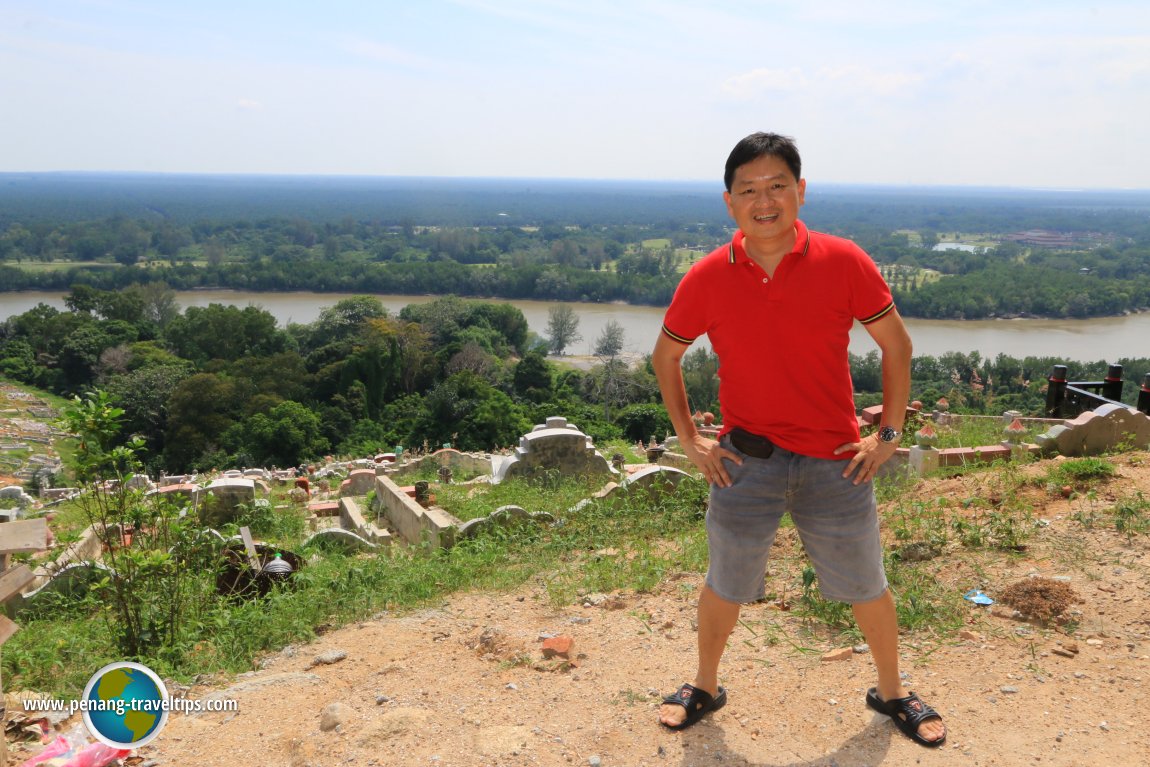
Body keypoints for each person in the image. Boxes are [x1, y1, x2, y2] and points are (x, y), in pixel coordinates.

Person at [652, 132, 946, 748]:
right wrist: (691, 440)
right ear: (729, 202)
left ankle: (892, 692)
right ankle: (704, 684)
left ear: (801, 191)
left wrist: (887, 434)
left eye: (777, 186)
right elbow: (666, 356)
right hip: (744, 461)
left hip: (834, 460)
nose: (765, 201)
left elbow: (897, 345)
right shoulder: (708, 277)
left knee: (867, 583)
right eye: (749, 190)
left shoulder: (844, 262)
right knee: (725, 583)